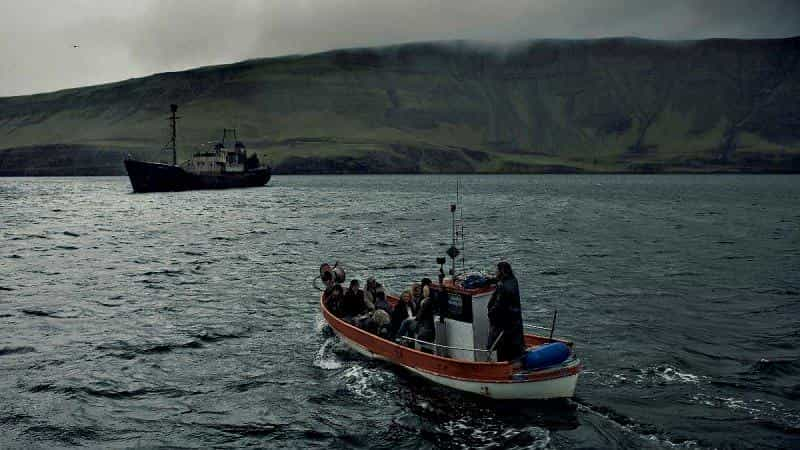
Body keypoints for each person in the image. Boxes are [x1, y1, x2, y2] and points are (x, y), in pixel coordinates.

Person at [487, 261, 525, 362]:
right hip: (514, 321)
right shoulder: (513, 281)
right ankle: (517, 359)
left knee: (499, 345)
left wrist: (490, 313)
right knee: (514, 345)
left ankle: (501, 365)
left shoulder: (502, 287)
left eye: (497, 270)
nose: (496, 272)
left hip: (503, 322)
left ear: (501, 271)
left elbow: (498, 305)